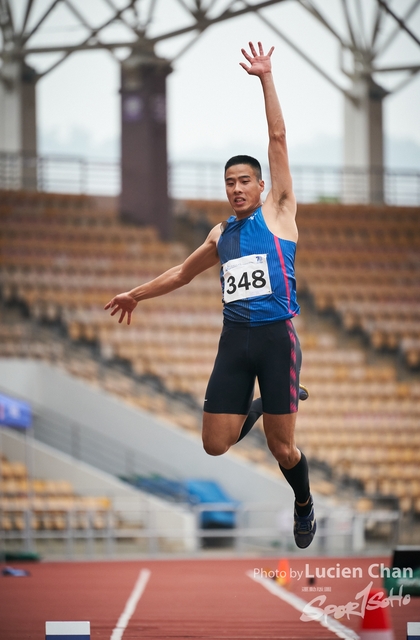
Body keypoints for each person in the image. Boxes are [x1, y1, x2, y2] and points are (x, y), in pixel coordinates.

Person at [104, 41, 316, 549]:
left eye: (245, 180)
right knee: (215, 445)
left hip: (275, 338)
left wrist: (265, 78)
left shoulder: (279, 213)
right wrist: (135, 293)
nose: (237, 188)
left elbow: (279, 136)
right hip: (234, 341)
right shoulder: (222, 235)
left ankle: (304, 503)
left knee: (283, 450)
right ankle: (261, 403)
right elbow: (180, 274)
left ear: (263, 185)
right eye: (229, 183)